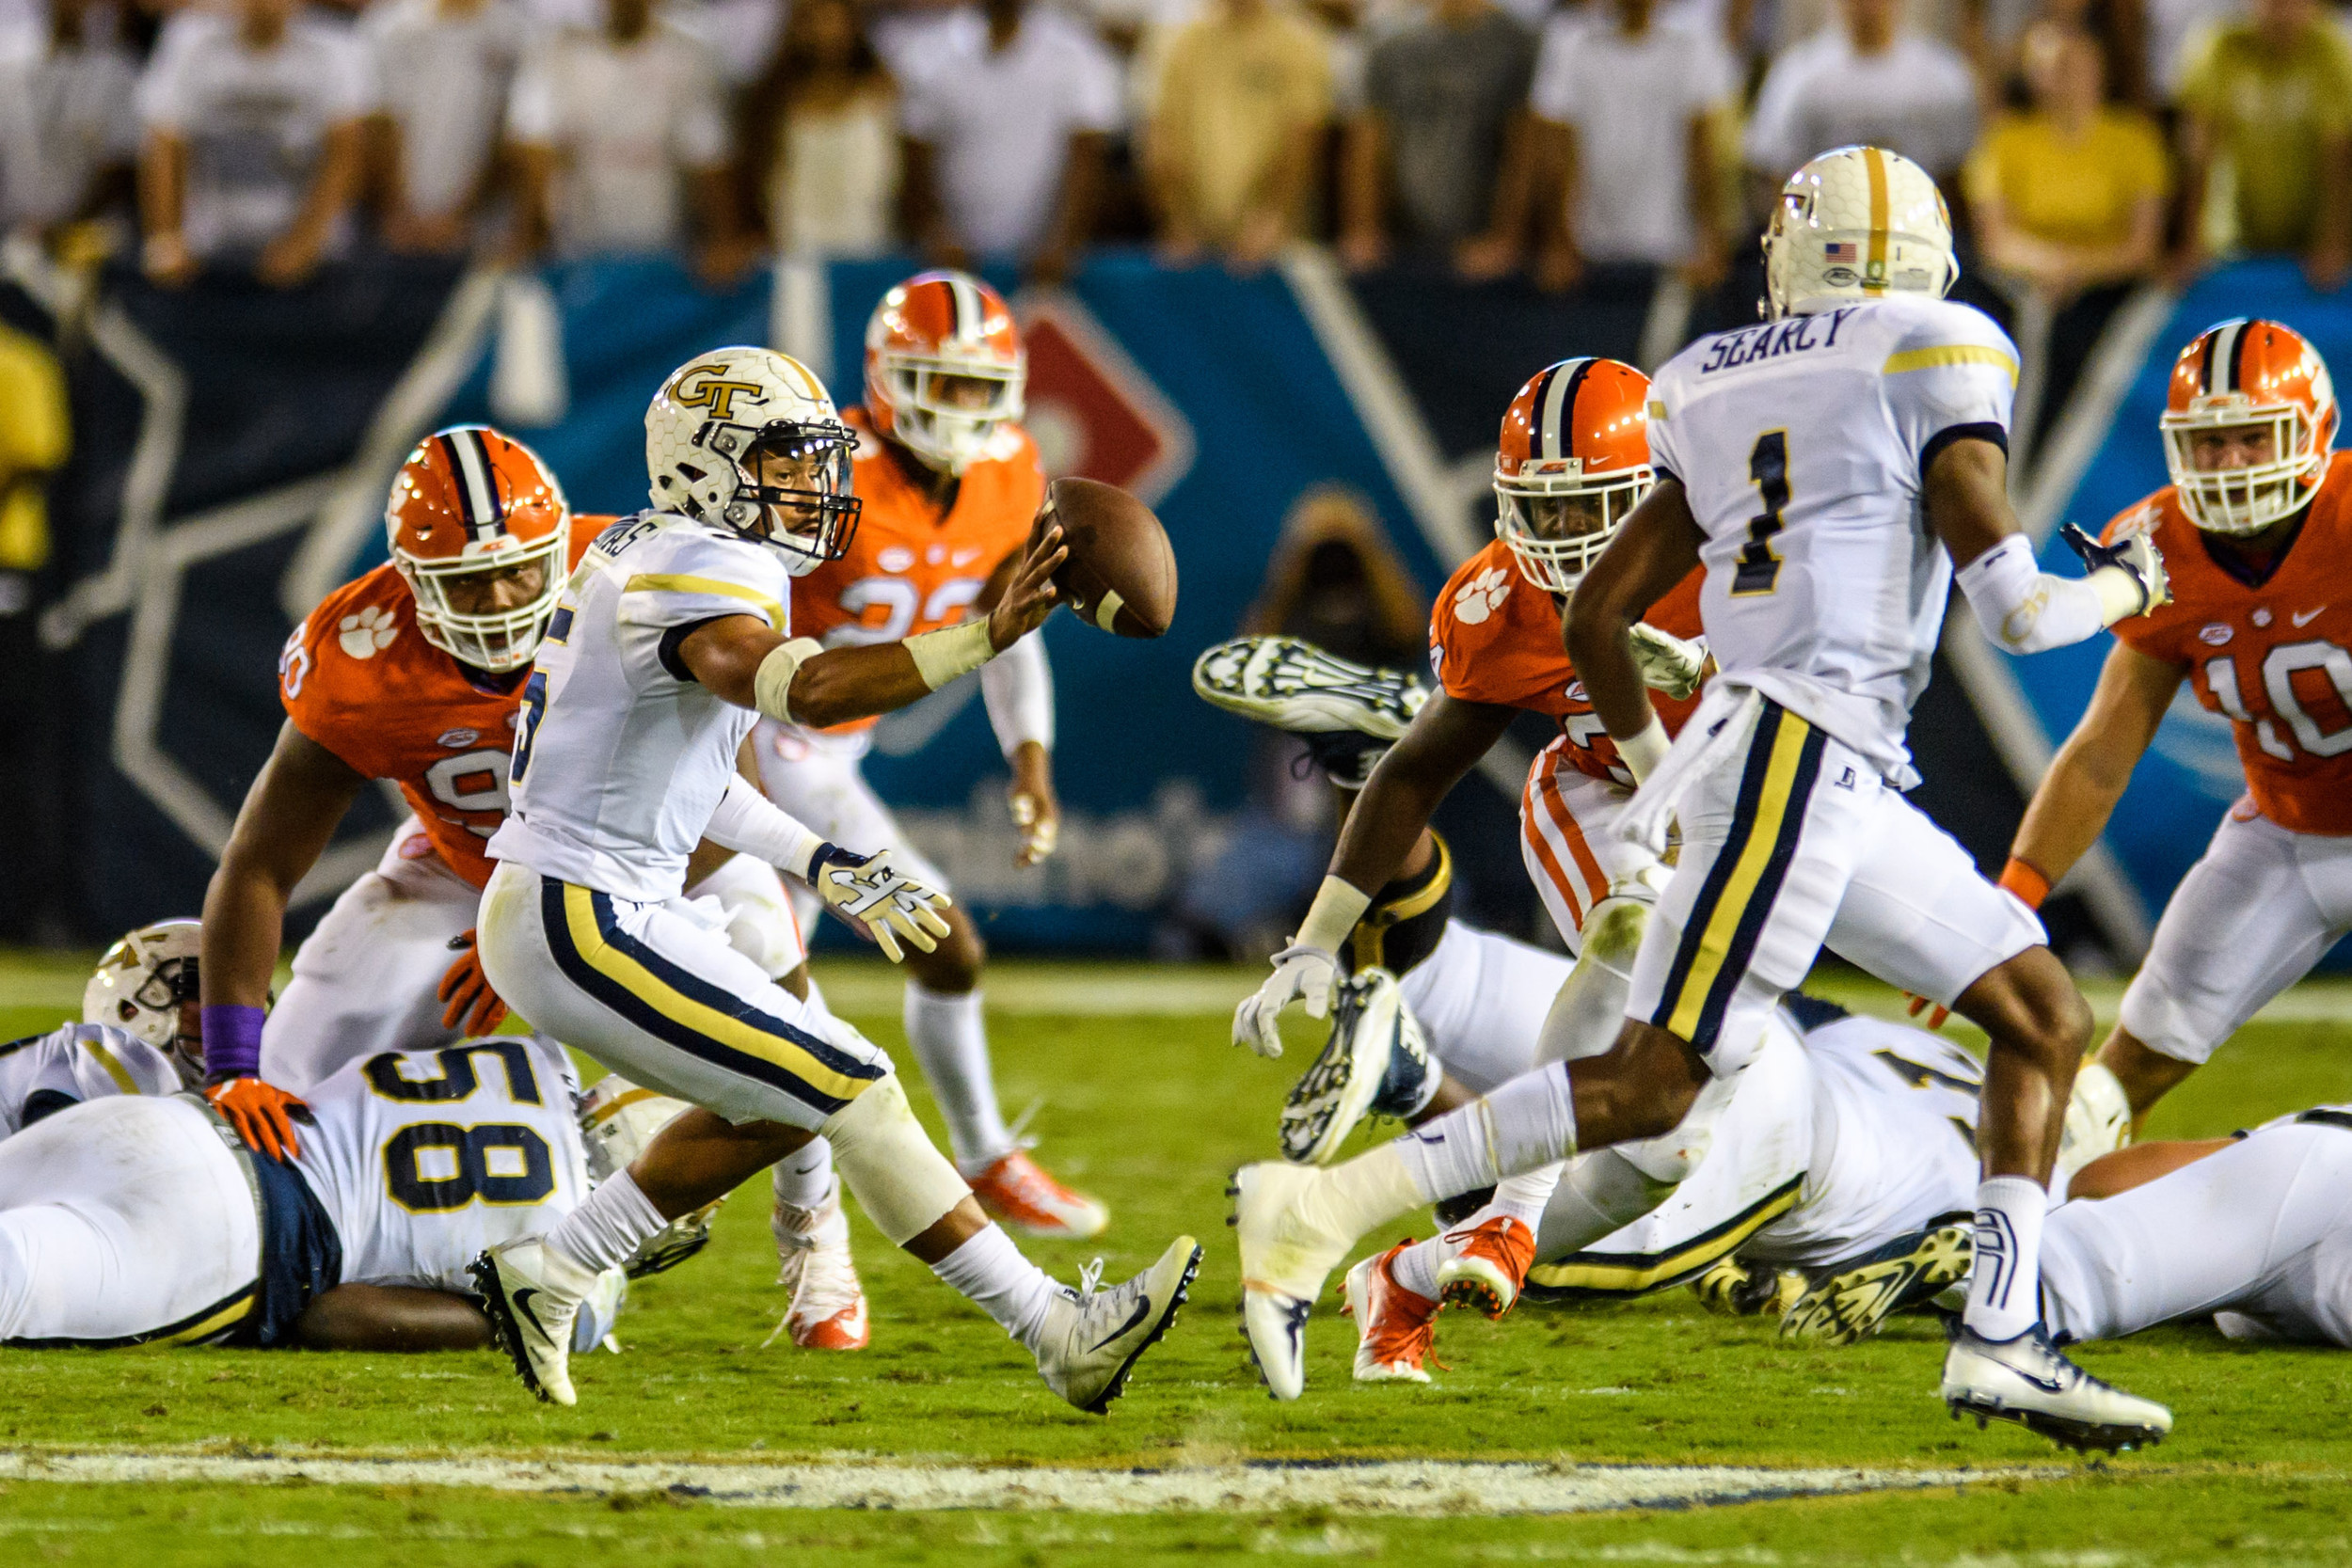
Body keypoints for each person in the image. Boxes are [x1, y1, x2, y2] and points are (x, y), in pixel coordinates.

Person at [1229, 146, 2174, 1452]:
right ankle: (1333, 1209)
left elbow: (1601, 614)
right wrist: (2130, 578)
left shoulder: (1713, 377)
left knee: (2042, 1011)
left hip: (1822, 760)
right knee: (1661, 1086)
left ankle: (2000, 1337)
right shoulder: (1942, 350)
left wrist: (1675, 731)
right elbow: (2017, 611)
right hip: (1786, 747)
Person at [464, 345, 1200, 1412]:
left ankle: (555, 1268)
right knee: (851, 1079)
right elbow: (801, 692)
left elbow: (692, 783)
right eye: (785, 459)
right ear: (708, 466)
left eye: (816, 458)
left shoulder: (655, 548)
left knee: (791, 1100)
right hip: (578, 912)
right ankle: (1058, 1329)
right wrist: (980, 637)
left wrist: (824, 858)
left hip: (595, 901)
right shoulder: (700, 564)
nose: (815, 482)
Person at [197, 428, 856, 1344]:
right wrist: (233, 1065)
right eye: (468, 582)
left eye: (518, 571)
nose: (501, 599)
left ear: (561, 548)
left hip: (648, 855)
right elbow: (259, 864)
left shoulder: (646, 579)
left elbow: (720, 808)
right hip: (465, 864)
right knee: (294, 1074)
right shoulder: (362, 656)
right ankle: (301, 1244)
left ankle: (812, 1221)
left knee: (779, 974)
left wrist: (543, 925)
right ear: (411, 582)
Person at [1206, 357, 1711, 1314]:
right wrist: (1311, 941)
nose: (1561, 535)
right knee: (1636, 941)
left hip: (1755, 793)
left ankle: (1434, 1196)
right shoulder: (1504, 600)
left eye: (1587, 505)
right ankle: (1504, 1216)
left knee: (1694, 1119)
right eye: (1541, 509)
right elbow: (1413, 771)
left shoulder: (1737, 548)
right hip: (1603, 792)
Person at [753, 272, 1104, 1237]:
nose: (957, 406)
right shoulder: (823, 468)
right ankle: (968, 1163)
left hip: (829, 751)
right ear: (884, 376)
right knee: (909, 950)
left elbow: (1009, 626)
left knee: (777, 993)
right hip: (754, 744)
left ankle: (953, 1170)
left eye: (975, 385)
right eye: (936, 382)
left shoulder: (1012, 467)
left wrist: (1030, 760)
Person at [2000, 318, 2352, 1133]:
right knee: (2114, 1084)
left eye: (2253, 437)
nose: (2230, 464)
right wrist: (2017, 894)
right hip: (2284, 835)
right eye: (2210, 442)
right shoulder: (2156, 550)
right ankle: (2035, 1208)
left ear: (2318, 431)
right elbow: (2101, 751)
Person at [0, 1011, 638, 1355]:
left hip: (171, 1122)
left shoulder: (532, 1055)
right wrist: (500, 1321)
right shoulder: (577, 1266)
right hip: (224, 1241)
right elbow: (329, 1317)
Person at [1464, 0, 1731, 291]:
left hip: (1671, 250)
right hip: (1589, 253)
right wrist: (1559, 242)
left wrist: (1710, 241)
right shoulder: (1568, 39)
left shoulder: (1695, 43)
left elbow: (1702, 151)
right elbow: (1552, 148)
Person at [504, 0, 751, 280]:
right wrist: (528, 233)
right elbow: (535, 148)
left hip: (662, 248)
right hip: (575, 251)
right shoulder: (557, 51)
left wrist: (724, 237)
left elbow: (708, 155)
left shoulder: (687, 54)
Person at [135, 0, 374, 288]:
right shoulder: (188, 39)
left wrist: (305, 241)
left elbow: (347, 153)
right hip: (207, 254)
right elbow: (164, 143)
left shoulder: (337, 47)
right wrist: (165, 236)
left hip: (314, 264)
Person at [896, 0, 1122, 281]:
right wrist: (936, 234)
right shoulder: (928, 55)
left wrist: (1062, 243)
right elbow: (914, 160)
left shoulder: (1078, 53)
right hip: (954, 265)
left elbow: (1088, 155)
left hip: (1043, 270)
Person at [1965, 22, 2169, 301]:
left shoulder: (2137, 139)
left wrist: (2076, 271)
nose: (2061, 77)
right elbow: (1995, 239)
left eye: (2070, 65)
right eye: (2046, 67)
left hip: (2115, 290)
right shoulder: (2003, 141)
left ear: (2099, 68)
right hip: (2022, 287)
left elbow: (2143, 246)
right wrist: (2050, 267)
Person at [1337, 0, 1536, 273]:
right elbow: (1369, 141)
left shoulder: (1519, 45)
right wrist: (1363, 229)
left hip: (1479, 247)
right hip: (1401, 243)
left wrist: (1505, 237)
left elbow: (1525, 146)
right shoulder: (1390, 44)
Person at [2171, 0, 2352, 290]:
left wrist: (2333, 241)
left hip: (2309, 238)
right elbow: (2198, 152)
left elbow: (2338, 158)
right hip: (2232, 237)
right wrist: (2190, 240)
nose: (2283, 12)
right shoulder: (2217, 45)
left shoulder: (2335, 50)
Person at [1145, 0, 1333, 272]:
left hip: (1278, 245)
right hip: (1196, 242)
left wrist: (1272, 218)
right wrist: (1177, 221)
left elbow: (1304, 137)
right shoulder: (1180, 40)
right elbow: (1161, 138)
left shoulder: (1299, 41)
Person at [1741, 0, 1977, 190]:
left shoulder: (1945, 76)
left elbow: (1958, 174)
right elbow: (1775, 172)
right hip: (1825, 225)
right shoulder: (1795, 76)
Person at [2, 920, 206, 1135]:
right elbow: (53, 1146)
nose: (222, 1017)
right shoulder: (119, 1057)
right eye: (201, 994)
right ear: (130, 1010)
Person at [362, 0, 533, 255]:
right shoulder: (388, 27)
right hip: (389, 228)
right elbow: (374, 125)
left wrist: (463, 214)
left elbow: (514, 138)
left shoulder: (519, 35)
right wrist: (395, 208)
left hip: (479, 231)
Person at [738, 0, 900, 258]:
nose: (825, 32)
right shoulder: (767, 105)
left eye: (834, 21)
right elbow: (755, 186)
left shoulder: (883, 96)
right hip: (793, 258)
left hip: (873, 255)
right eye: (814, 20)